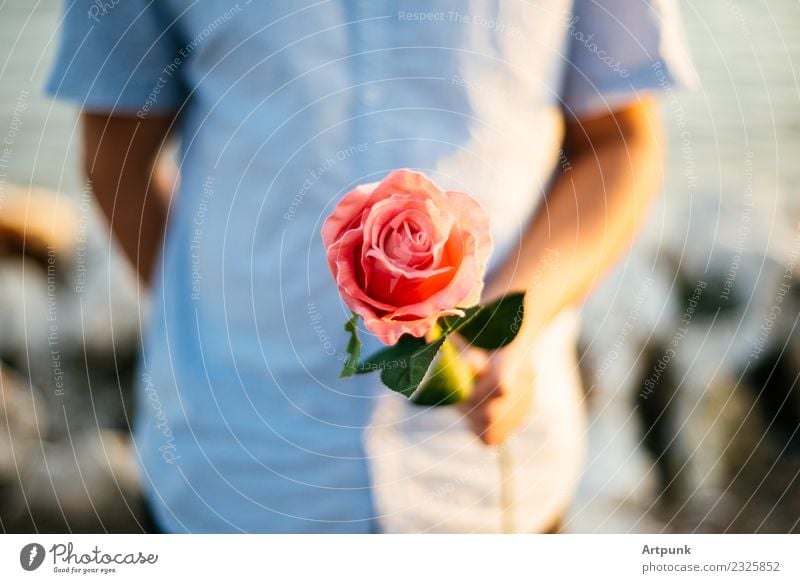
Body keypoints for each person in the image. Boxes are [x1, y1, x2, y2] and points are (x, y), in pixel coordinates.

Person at [46, 0, 695, 533]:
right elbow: (114, 153)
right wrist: (213, 315)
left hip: (491, 479)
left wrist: (515, 320)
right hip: (237, 470)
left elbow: (619, 141)